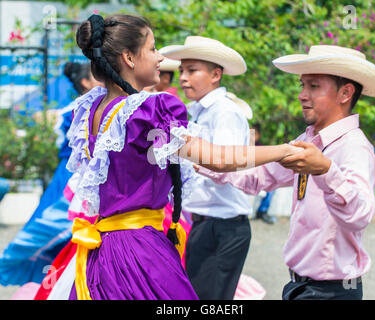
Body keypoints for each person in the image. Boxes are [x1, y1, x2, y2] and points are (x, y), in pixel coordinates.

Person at [57, 14, 299, 300]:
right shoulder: (148, 110)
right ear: (129, 58)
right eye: (152, 49)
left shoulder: (93, 108)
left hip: (104, 250)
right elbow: (217, 159)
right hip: (139, 251)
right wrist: (285, 151)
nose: (160, 58)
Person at [196, 45, 375, 300]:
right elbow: (259, 175)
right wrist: (206, 160)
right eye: (303, 85)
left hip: (331, 291)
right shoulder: (310, 141)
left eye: (313, 86)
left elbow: (360, 214)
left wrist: (325, 170)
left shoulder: (353, 147)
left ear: (345, 93)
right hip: (302, 286)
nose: (302, 95)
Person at [160, 36, 254, 300]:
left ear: (216, 74)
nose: (183, 78)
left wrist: (182, 150)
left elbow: (224, 163)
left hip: (223, 225)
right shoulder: (198, 111)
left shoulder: (224, 112)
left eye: (192, 70)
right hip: (204, 222)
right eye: (181, 71)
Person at [0, 62, 102, 288]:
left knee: (76, 233)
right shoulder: (78, 106)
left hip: (86, 175)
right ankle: (48, 282)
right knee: (57, 229)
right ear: (86, 82)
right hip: (70, 177)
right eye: (99, 74)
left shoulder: (102, 104)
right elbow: (42, 116)